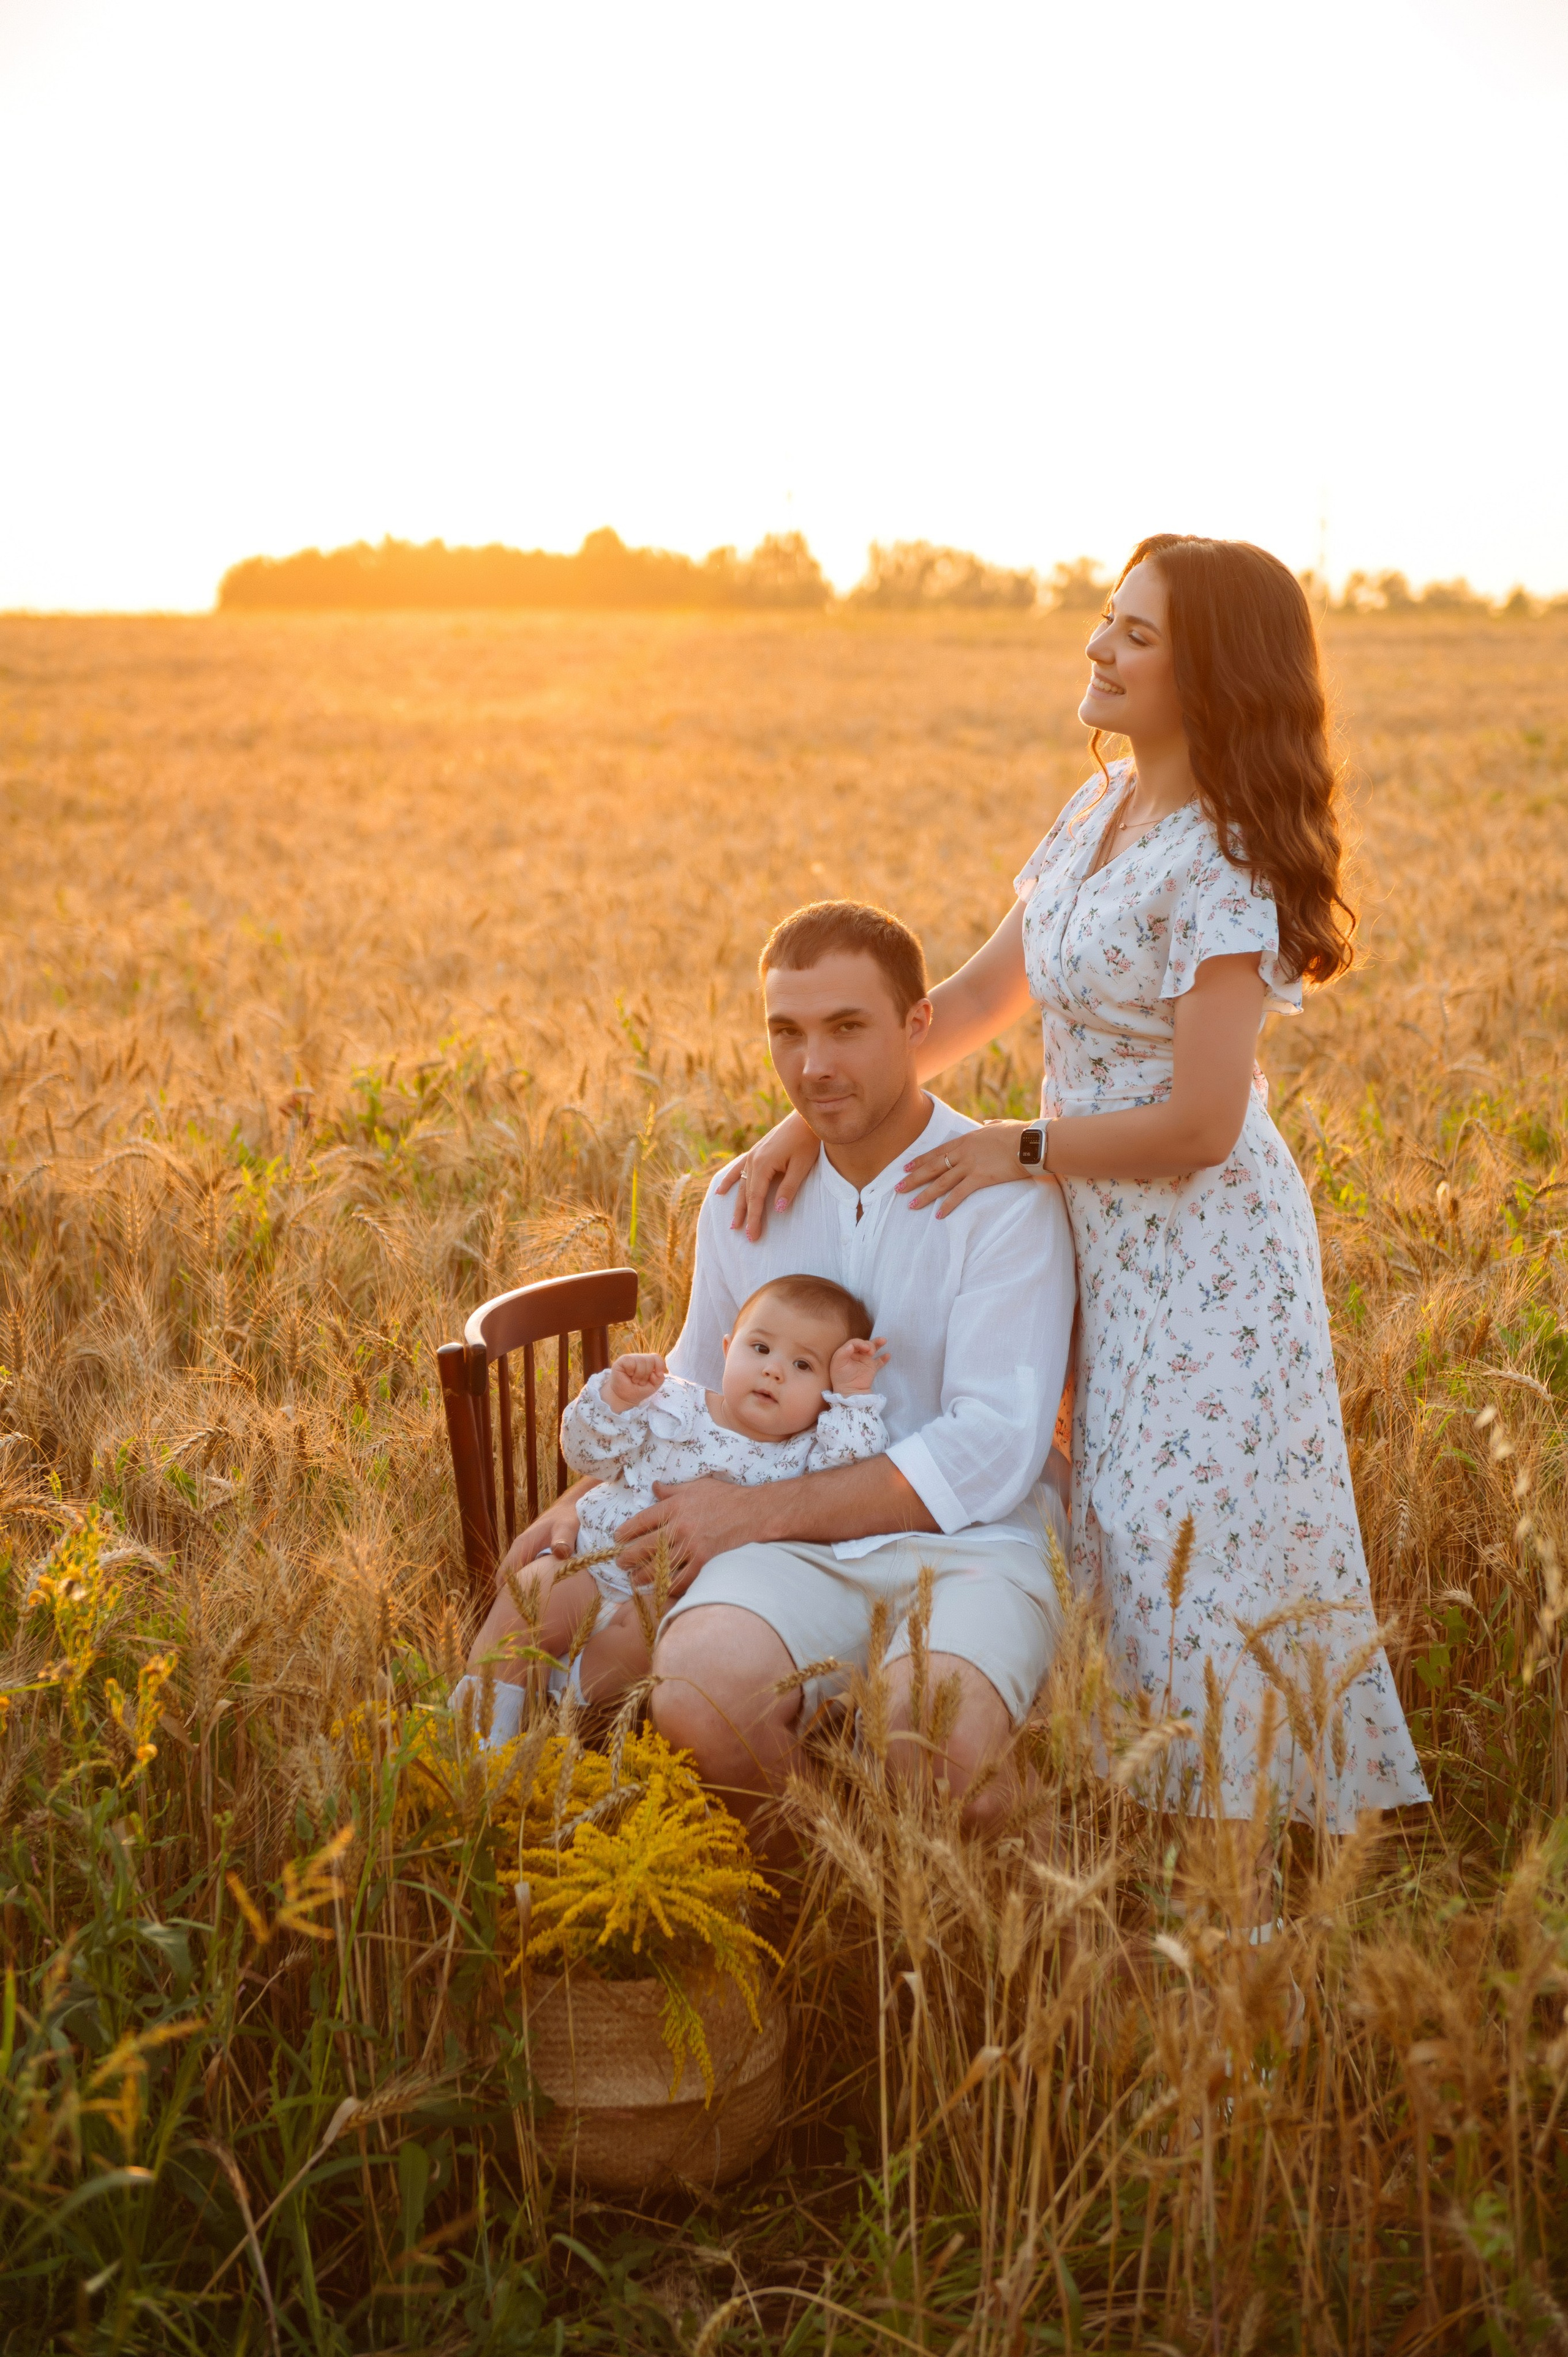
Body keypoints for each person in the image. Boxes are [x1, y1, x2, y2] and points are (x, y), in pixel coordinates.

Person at [722, 535, 1428, 1854]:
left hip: (1200, 1252)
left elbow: (1206, 1122)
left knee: (1197, 1544)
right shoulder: (1091, 815)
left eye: (1136, 635)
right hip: (1093, 1234)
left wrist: (1021, 1147)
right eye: (1105, 622)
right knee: (1112, 1527)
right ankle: (1148, 1850)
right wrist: (803, 1121)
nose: (1097, 649)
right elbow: (980, 1000)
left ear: (1209, 672)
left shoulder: (1222, 862)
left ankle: (1245, 1882)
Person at [466, 899, 1075, 1823]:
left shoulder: (1001, 1197)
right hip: (780, 1551)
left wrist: (751, 1511)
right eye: (785, 1033)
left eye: (846, 1028)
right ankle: (818, 1905)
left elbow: (993, 1448)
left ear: (920, 1026)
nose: (813, 1066)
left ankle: (1042, 1918)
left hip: (971, 1545)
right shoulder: (750, 1196)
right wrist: (575, 1502)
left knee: (939, 1740)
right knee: (700, 1700)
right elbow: (697, 1389)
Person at [459, 1276, 889, 1737]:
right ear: (727, 1348)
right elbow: (585, 1455)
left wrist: (853, 1396)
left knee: (657, 1644)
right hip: (589, 1562)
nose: (774, 1371)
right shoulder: (673, 1403)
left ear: (825, 1397)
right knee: (531, 1595)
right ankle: (477, 1735)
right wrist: (616, 1401)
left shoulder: (804, 1458)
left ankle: (562, 1705)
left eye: (803, 1365)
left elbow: (854, 1468)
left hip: (669, 1596)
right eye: (760, 1349)